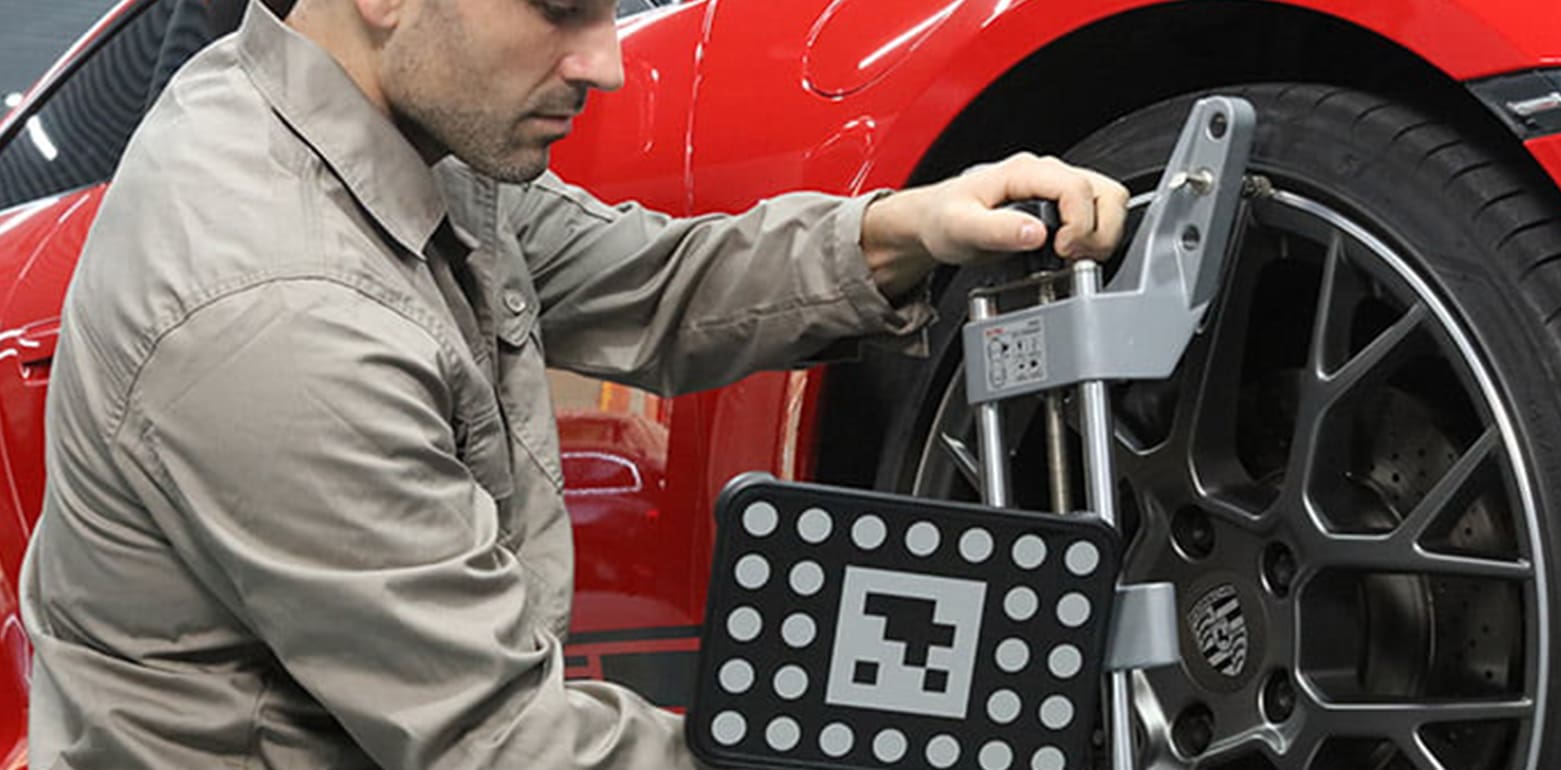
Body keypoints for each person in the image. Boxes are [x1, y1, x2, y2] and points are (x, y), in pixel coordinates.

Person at [18, 0, 1128, 767]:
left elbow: (652, 282)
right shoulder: (278, 312)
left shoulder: (389, 135)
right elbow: (502, 742)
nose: (609, 62)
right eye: (560, 10)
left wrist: (906, 229)